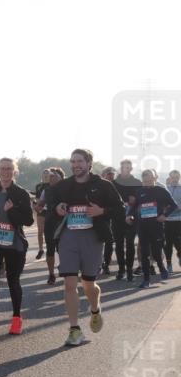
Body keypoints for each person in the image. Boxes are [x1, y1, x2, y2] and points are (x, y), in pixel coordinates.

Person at [49, 149, 124, 347]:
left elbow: (120, 210)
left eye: (80, 161)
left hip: (93, 238)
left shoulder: (103, 185)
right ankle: (74, 330)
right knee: (69, 283)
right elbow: (51, 206)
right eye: (73, 161)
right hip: (68, 237)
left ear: (89, 163)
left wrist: (102, 211)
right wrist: (57, 208)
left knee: (88, 284)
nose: (76, 165)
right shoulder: (63, 186)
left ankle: (95, 308)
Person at [0, 158, 34, 337]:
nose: (6, 171)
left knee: (13, 281)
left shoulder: (20, 193)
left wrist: (11, 211)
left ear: (14, 171)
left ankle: (17, 319)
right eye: (2, 168)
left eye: (9, 168)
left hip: (14, 244)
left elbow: (28, 220)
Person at [126, 169, 176, 288]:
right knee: (144, 253)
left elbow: (174, 205)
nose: (147, 183)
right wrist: (129, 215)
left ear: (155, 178)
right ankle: (146, 280)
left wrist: (165, 215)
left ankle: (161, 266)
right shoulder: (139, 191)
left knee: (156, 252)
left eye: (149, 181)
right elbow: (134, 207)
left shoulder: (161, 191)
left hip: (156, 226)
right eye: (145, 181)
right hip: (142, 226)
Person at [113, 159, 142, 281]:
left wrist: (135, 200)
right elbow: (111, 200)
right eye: (125, 167)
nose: (127, 169)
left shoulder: (137, 182)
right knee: (119, 245)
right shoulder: (113, 183)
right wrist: (126, 199)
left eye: (129, 167)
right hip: (117, 218)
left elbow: (141, 202)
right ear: (121, 168)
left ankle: (129, 270)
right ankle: (121, 269)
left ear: (131, 169)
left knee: (130, 244)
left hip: (132, 218)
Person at [41, 168, 65, 285]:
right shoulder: (46, 190)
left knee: (63, 249)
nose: (51, 177)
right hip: (50, 222)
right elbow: (40, 205)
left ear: (61, 177)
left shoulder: (67, 189)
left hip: (64, 222)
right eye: (50, 176)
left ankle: (65, 268)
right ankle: (51, 274)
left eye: (54, 175)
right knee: (50, 249)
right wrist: (36, 205)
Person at [99, 167, 117, 274]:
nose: (111, 176)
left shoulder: (117, 186)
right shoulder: (99, 186)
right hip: (101, 217)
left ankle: (106, 263)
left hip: (114, 218)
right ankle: (99, 262)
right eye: (108, 174)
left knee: (110, 242)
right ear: (103, 175)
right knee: (101, 241)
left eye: (112, 174)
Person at [165, 170, 181, 274]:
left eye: (177, 177)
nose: (175, 179)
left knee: (179, 243)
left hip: (179, 220)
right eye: (173, 177)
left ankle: (180, 257)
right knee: (168, 244)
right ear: (169, 178)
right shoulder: (165, 189)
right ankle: (169, 264)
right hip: (167, 220)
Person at [33, 169, 51, 260]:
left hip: (50, 211)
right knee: (40, 231)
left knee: (48, 232)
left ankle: (49, 249)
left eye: (47, 174)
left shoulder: (52, 185)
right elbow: (36, 198)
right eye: (44, 173)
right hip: (41, 211)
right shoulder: (39, 186)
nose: (45, 175)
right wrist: (36, 204)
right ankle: (40, 249)